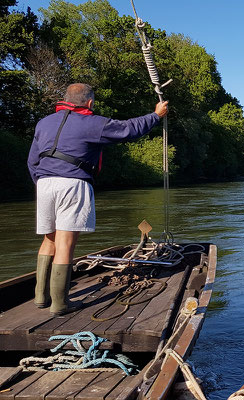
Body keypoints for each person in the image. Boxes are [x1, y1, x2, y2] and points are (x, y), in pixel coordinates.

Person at [27, 83, 168, 315]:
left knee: (49, 239)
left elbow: (32, 160)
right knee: (65, 242)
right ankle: (60, 304)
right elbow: (128, 130)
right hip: (72, 182)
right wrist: (155, 115)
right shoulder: (92, 123)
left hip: (43, 183)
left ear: (65, 99)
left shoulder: (43, 123)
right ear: (90, 103)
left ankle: (40, 298)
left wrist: (40, 182)